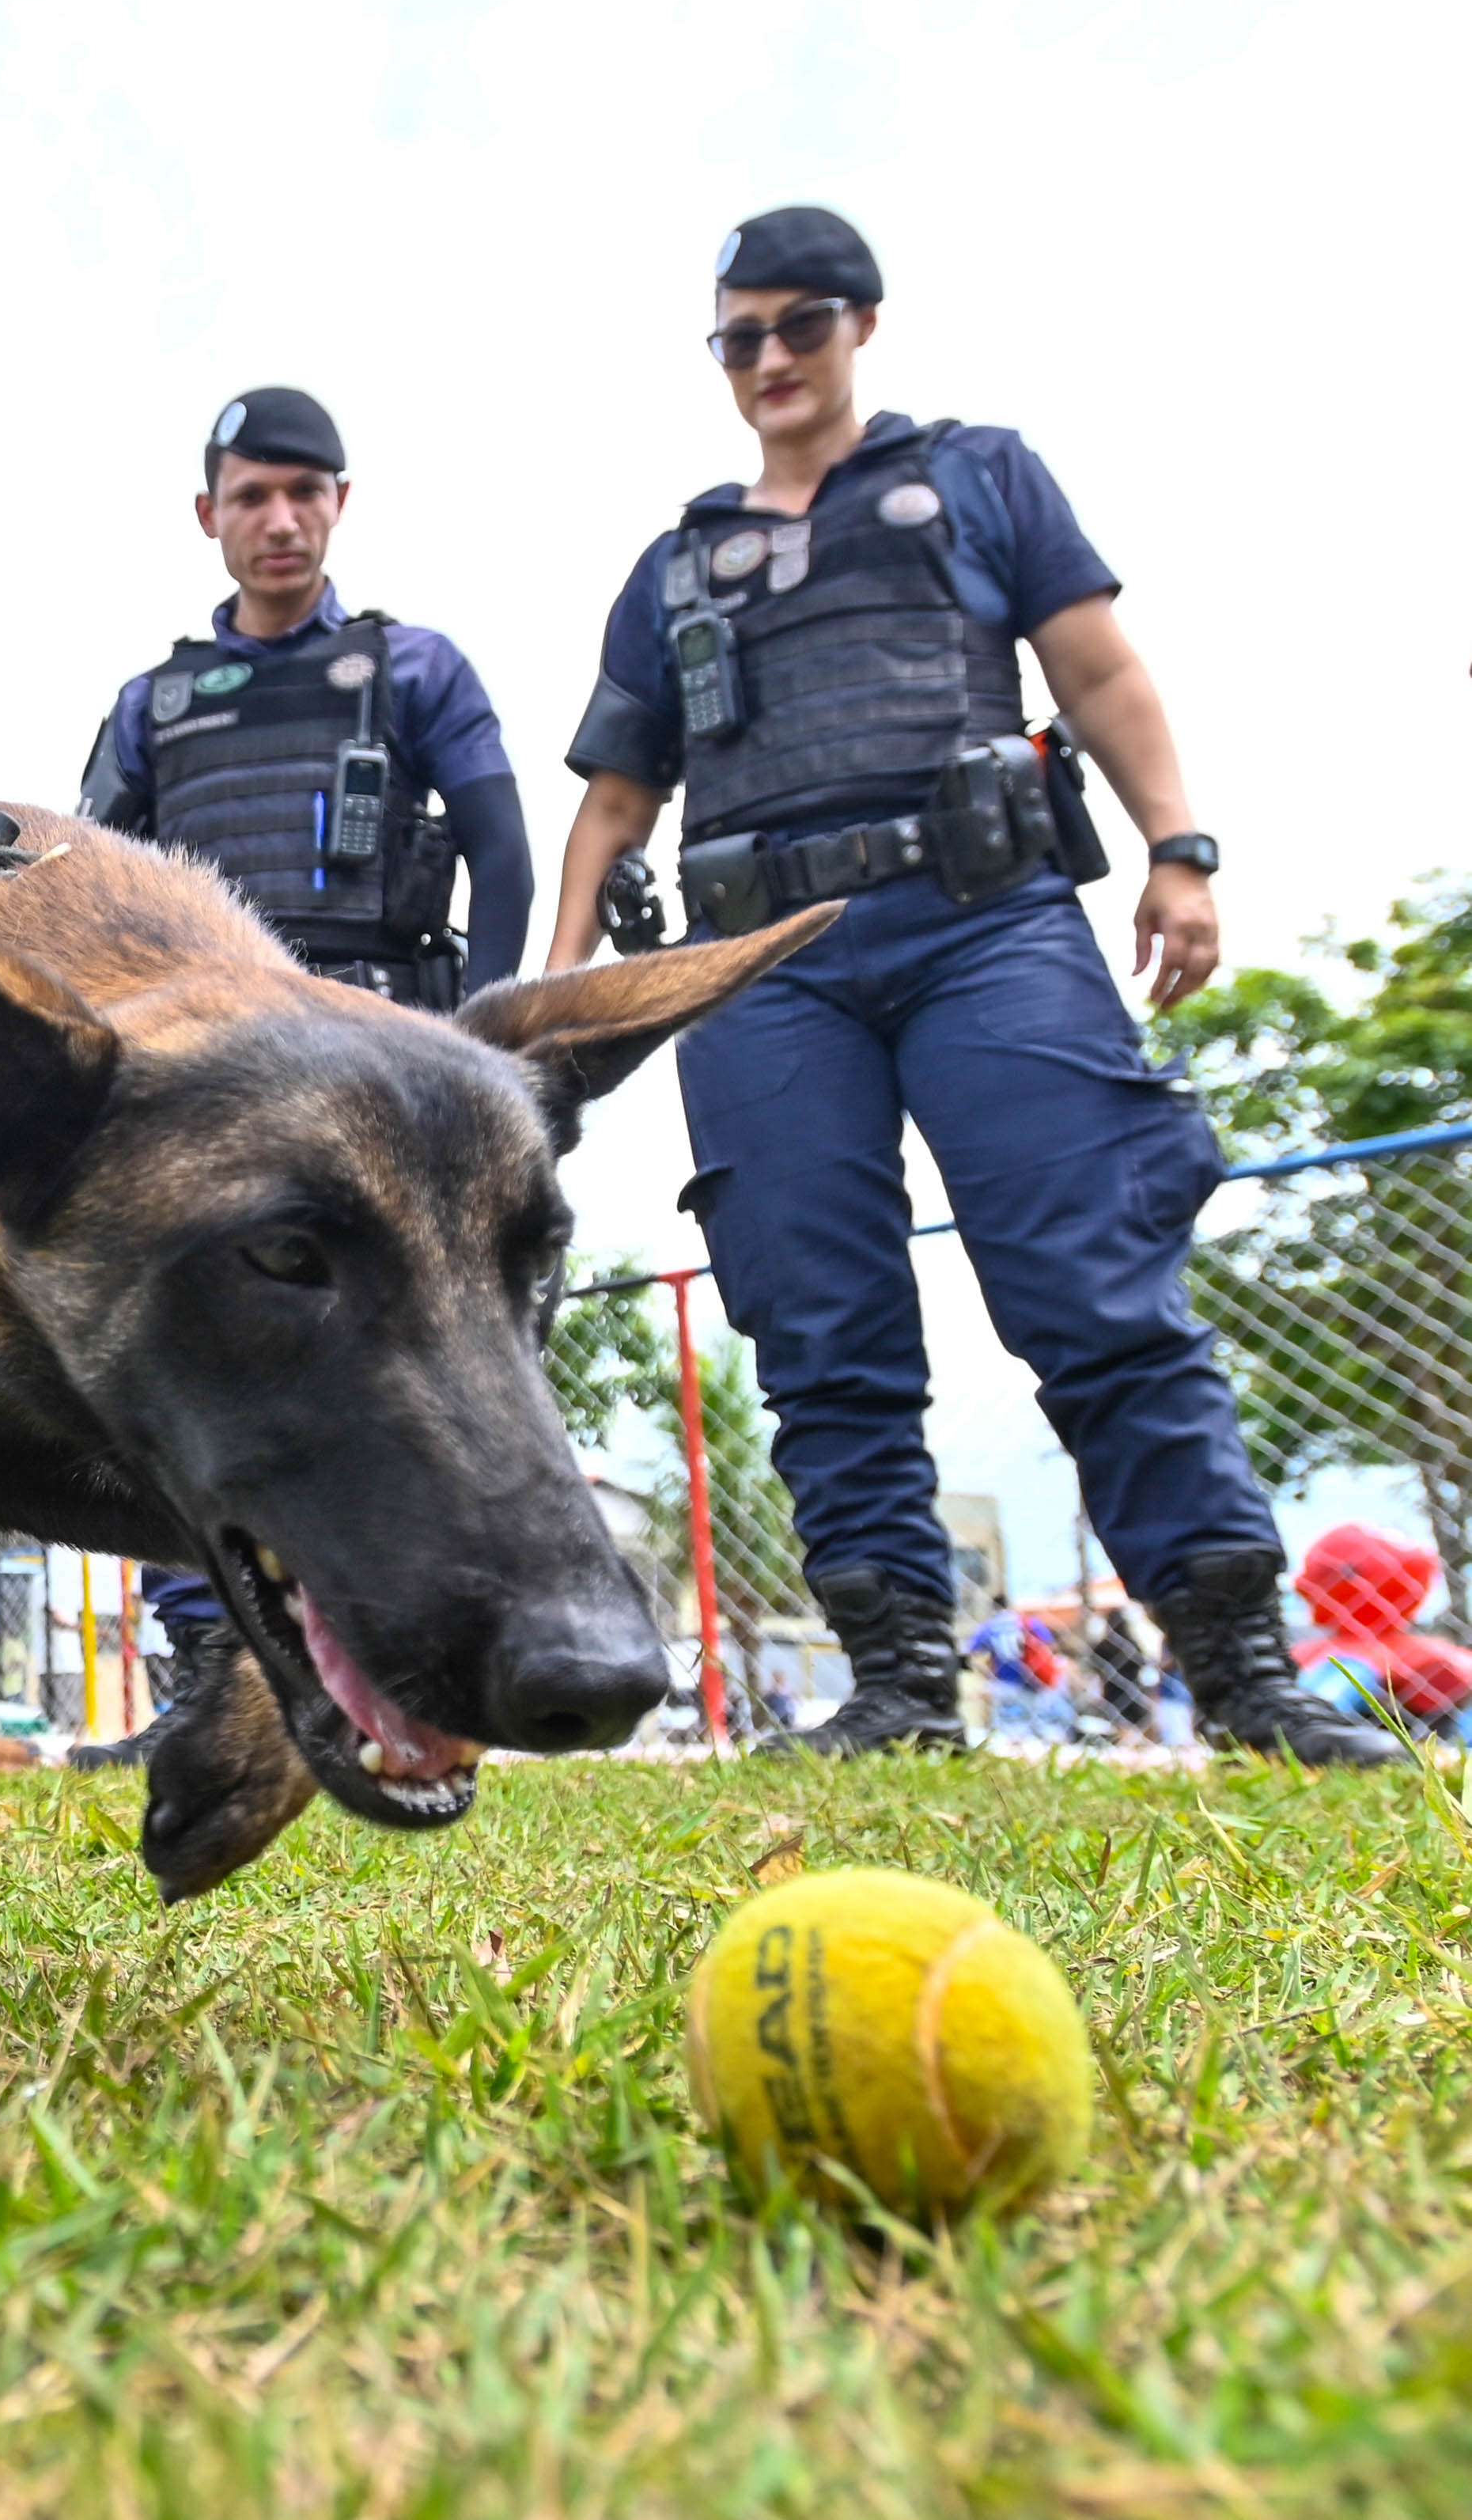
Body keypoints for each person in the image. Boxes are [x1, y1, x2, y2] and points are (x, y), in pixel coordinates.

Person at [542, 205, 1387, 1766]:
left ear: (862, 322)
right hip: (757, 970)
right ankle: (899, 1688)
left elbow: (1098, 670)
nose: (771, 359)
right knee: (814, 1324)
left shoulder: (979, 477)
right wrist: (550, 1015)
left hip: (981, 920)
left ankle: (1243, 1676)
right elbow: (610, 800)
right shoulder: (670, 568)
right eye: (739, 337)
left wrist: (1177, 850)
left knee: (1093, 1281)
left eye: (800, 325)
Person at [81, 388, 534, 1681]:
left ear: (341, 503)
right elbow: (88, 882)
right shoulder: (153, 704)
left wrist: (490, 1056)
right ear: (207, 514)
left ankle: (433, 1660)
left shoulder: (414, 669)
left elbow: (502, 854)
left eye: (304, 492)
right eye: (251, 496)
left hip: (380, 1069)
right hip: (208, 1087)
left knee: (415, 1381)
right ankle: (217, 1678)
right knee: (181, 1364)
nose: (279, 520)